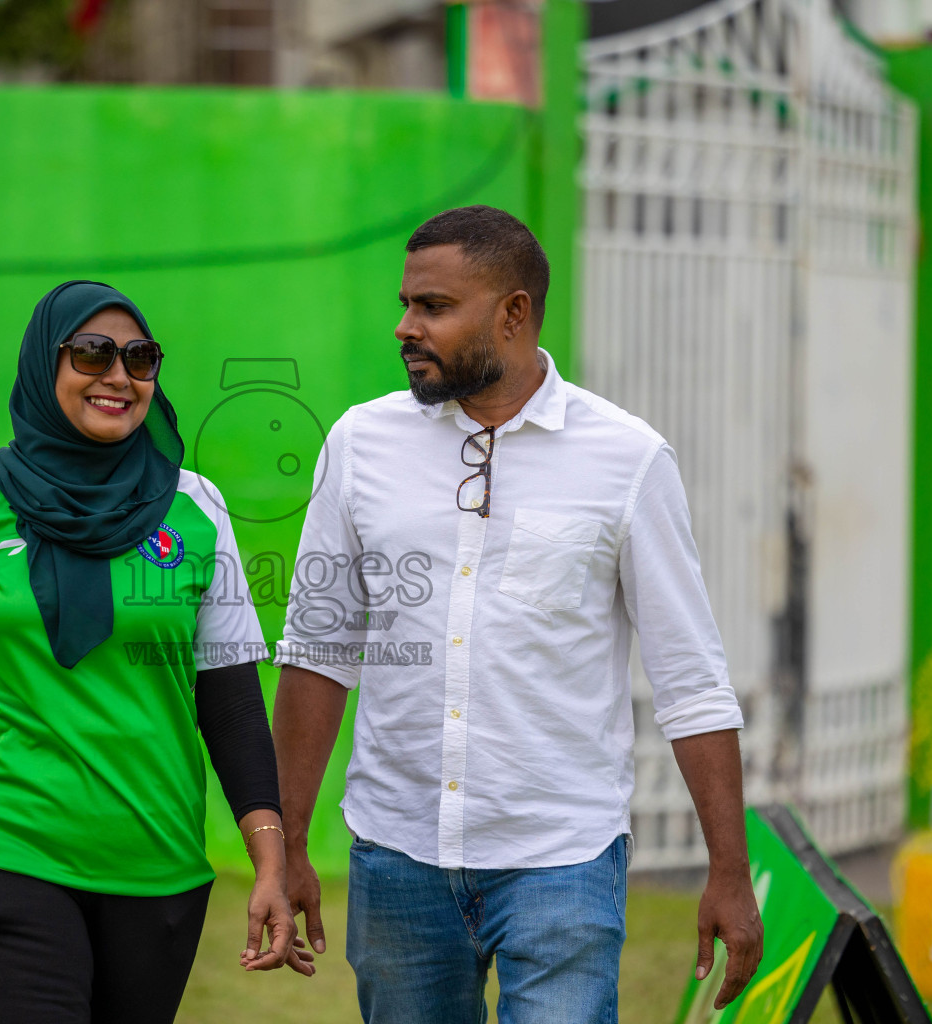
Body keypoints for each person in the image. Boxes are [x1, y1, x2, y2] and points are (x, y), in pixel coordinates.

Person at [271, 206, 765, 1023]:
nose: (405, 327)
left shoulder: (627, 458)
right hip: (397, 855)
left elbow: (690, 679)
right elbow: (318, 650)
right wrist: (289, 842)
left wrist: (729, 869)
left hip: (561, 862)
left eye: (433, 307)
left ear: (513, 314)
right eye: (406, 304)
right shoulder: (360, 443)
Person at [0, 280, 310, 1024]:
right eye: (91, 353)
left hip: (157, 865)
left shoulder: (195, 507)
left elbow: (231, 704)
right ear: (43, 365)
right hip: (6, 846)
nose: (118, 376)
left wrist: (271, 866)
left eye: (140, 357)